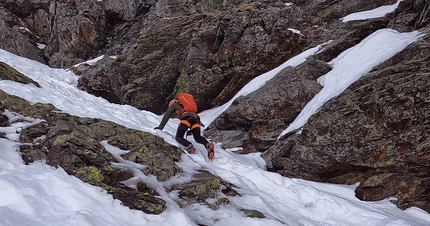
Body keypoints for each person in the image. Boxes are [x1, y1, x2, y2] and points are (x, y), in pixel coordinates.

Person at [155, 94, 215, 160]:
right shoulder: (185, 107)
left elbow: (167, 115)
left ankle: (189, 146)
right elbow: (193, 118)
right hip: (196, 118)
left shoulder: (174, 105)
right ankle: (208, 145)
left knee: (179, 137)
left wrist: (160, 127)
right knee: (197, 137)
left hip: (187, 118)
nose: (175, 113)